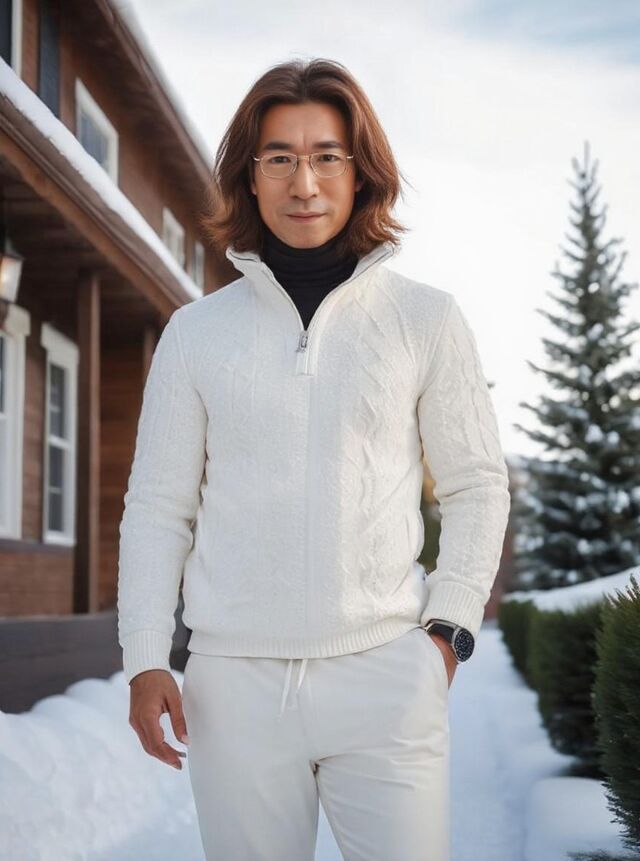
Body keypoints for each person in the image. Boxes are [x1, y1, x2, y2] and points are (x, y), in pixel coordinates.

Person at [117, 57, 511, 861]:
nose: (305, 183)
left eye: (327, 156)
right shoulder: (196, 334)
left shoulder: (426, 320)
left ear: (361, 173)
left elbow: (477, 484)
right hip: (235, 687)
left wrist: (448, 631)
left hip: (385, 677)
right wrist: (146, 657)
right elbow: (158, 506)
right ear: (250, 176)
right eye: (280, 158)